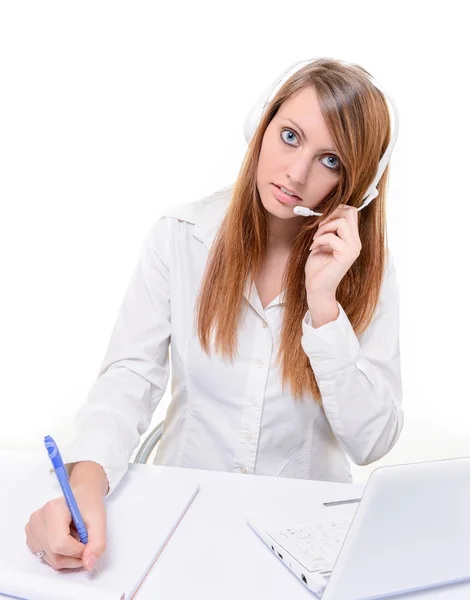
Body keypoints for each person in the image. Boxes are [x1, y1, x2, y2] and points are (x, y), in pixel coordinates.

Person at [25, 57, 404, 572]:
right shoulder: (181, 236)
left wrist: (324, 307)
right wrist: (84, 482)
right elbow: (129, 378)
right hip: (183, 519)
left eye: (331, 160)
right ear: (262, 124)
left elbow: (372, 442)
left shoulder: (362, 273)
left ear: (357, 186)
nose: (297, 173)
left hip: (306, 538)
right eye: (290, 136)